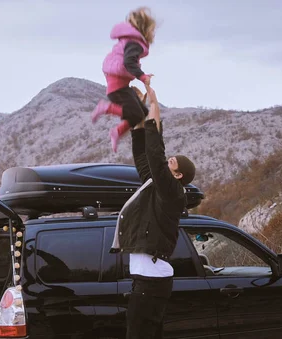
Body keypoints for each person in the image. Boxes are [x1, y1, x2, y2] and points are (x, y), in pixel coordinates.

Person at [110, 86, 196, 339]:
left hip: (151, 281)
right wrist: (138, 123)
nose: (168, 161)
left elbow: (155, 154)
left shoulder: (172, 191)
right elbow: (143, 157)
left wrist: (153, 107)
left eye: (172, 163)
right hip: (147, 280)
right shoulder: (157, 187)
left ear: (178, 175)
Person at [91, 6, 156, 153]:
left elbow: (128, 62)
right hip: (117, 88)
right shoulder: (134, 43)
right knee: (136, 113)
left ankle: (117, 132)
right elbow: (129, 63)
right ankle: (105, 108)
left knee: (143, 112)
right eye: (152, 30)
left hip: (121, 85)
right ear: (145, 29)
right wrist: (142, 76)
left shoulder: (130, 41)